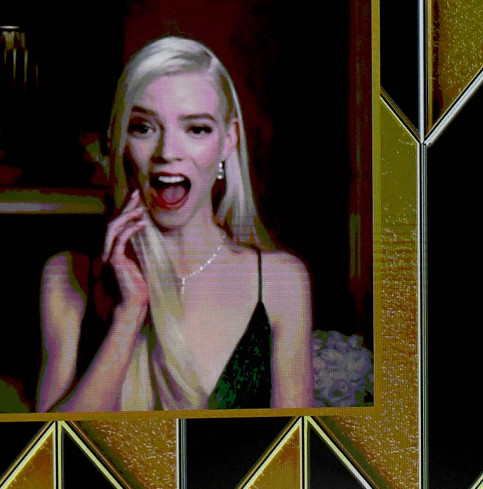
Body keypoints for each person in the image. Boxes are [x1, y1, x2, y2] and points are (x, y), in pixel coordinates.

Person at [37, 36, 313, 412]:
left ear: (228, 140)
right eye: (143, 128)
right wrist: (129, 315)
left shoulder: (282, 282)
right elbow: (53, 446)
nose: (168, 153)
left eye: (196, 129)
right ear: (120, 140)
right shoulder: (68, 277)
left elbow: (297, 445)